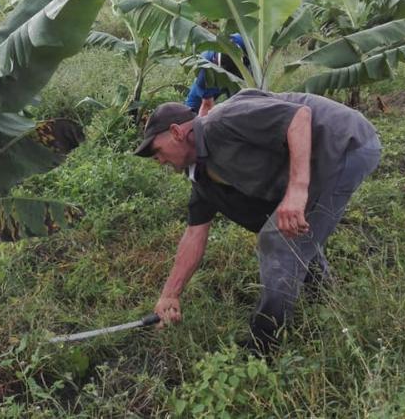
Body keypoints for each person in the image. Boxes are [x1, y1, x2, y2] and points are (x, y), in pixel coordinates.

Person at [134, 88, 381, 354]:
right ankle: (321, 295)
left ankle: (265, 344)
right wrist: (170, 294)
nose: (157, 160)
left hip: (345, 143)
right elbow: (195, 233)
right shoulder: (202, 175)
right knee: (288, 227)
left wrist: (297, 191)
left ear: (176, 132)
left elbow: (299, 116)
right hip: (320, 157)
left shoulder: (224, 120)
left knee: (277, 239)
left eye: (156, 150)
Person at [184, 33, 249, 116]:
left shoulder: (244, 42)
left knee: (240, 106)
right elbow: (207, 105)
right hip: (213, 80)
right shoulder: (205, 69)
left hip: (241, 76)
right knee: (191, 110)